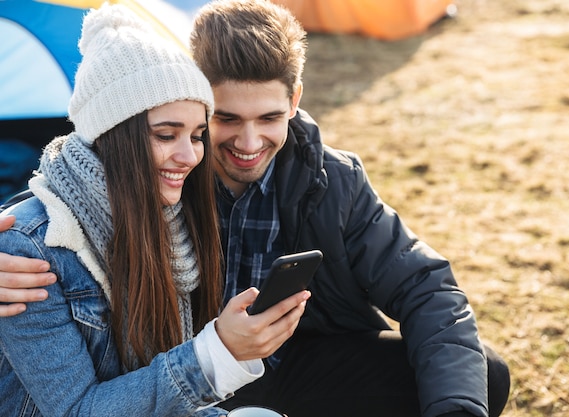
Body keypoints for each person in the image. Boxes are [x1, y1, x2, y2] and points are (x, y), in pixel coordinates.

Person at [0, 1, 510, 416]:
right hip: (189, 374)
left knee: (479, 376)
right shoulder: (163, 175)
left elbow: (426, 286)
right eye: (223, 120)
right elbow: (66, 198)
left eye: (268, 117)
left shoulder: (330, 177)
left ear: (295, 101)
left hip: (291, 363)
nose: (248, 143)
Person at [0, 4, 309, 417]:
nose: (189, 156)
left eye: (198, 135)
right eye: (166, 135)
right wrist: (216, 353)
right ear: (113, 137)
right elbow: (77, 410)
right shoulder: (29, 252)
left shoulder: (169, 221)